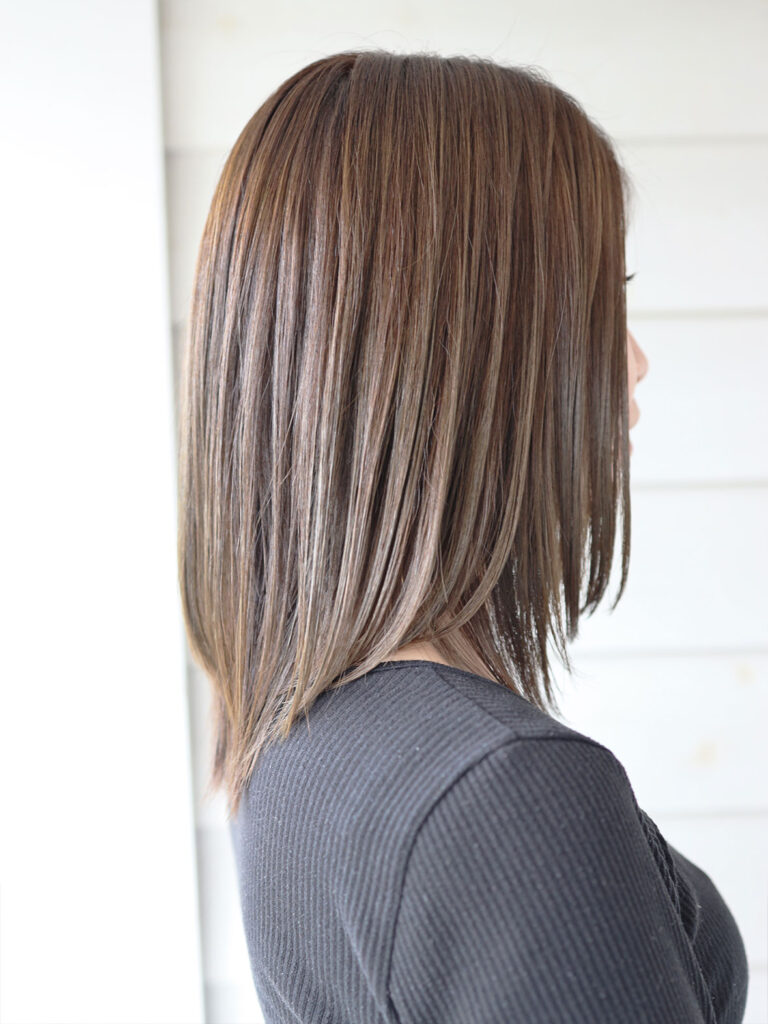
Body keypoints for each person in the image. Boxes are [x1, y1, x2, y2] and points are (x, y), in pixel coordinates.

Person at [176, 50, 748, 1023]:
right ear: (473, 353)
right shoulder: (501, 791)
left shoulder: (297, 737)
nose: (635, 361)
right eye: (601, 304)